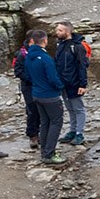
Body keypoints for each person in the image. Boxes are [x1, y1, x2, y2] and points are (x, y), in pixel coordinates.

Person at [21, 29, 66, 165]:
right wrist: (60, 86)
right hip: (50, 95)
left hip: (36, 94)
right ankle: (49, 153)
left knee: (45, 122)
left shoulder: (28, 56)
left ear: (32, 41)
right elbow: (52, 78)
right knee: (56, 122)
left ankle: (44, 151)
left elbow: (27, 76)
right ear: (45, 41)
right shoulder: (46, 59)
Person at [50, 22, 88, 147]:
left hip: (75, 83)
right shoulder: (59, 44)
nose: (57, 32)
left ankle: (79, 133)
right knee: (70, 108)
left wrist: (82, 85)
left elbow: (82, 66)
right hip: (63, 83)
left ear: (68, 32)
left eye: (60, 30)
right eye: (57, 29)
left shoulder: (77, 47)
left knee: (78, 108)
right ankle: (72, 131)